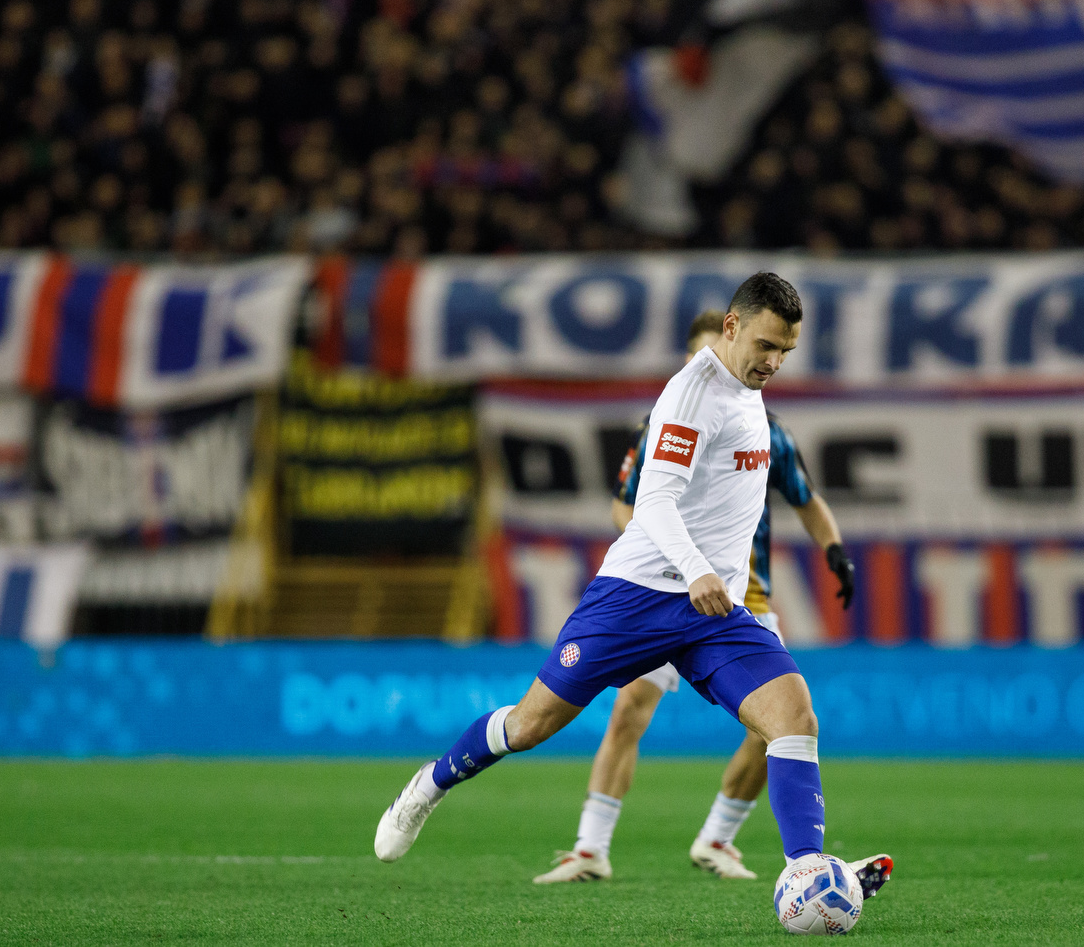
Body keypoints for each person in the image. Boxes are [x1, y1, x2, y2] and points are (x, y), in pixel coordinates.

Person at [374, 272, 892, 902]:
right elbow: (654, 499)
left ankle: (806, 870)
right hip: (638, 597)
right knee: (530, 725)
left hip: (717, 611)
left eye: (785, 350)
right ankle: (429, 786)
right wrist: (697, 569)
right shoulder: (693, 396)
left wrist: (728, 577)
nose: (774, 362)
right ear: (732, 328)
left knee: (793, 717)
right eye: (764, 345)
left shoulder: (749, 392)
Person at [534, 309, 855, 883]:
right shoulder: (665, 419)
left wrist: (835, 551)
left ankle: (717, 838)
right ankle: (590, 848)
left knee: (779, 725)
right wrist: (665, 554)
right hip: (661, 592)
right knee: (630, 708)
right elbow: (624, 504)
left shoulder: (767, 428)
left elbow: (807, 498)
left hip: (742, 596)